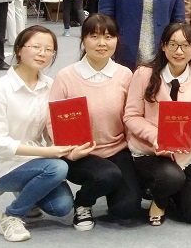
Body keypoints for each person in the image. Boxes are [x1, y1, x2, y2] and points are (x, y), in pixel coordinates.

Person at [0, 26, 75, 241]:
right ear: (19, 49)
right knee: (57, 168)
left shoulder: (51, 86)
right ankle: (11, 216)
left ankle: (28, 192)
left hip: (36, 159)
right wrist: (49, 152)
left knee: (61, 207)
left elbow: (53, 127)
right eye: (36, 47)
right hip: (3, 162)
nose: (42, 53)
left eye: (48, 50)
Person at [47, 14, 140, 230]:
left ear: (116, 40)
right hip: (80, 153)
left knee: (127, 209)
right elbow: (53, 121)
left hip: (117, 149)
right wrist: (70, 152)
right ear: (83, 40)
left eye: (108, 37)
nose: (102, 43)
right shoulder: (66, 76)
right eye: (94, 36)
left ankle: (112, 188)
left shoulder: (125, 74)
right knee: (107, 176)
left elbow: (132, 116)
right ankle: (83, 202)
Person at [123, 22, 191, 225]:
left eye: (186, 45)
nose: (179, 51)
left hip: (185, 151)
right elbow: (131, 116)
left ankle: (170, 192)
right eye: (173, 44)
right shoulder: (144, 74)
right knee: (172, 178)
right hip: (150, 149)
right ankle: (159, 198)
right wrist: (155, 136)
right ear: (163, 46)